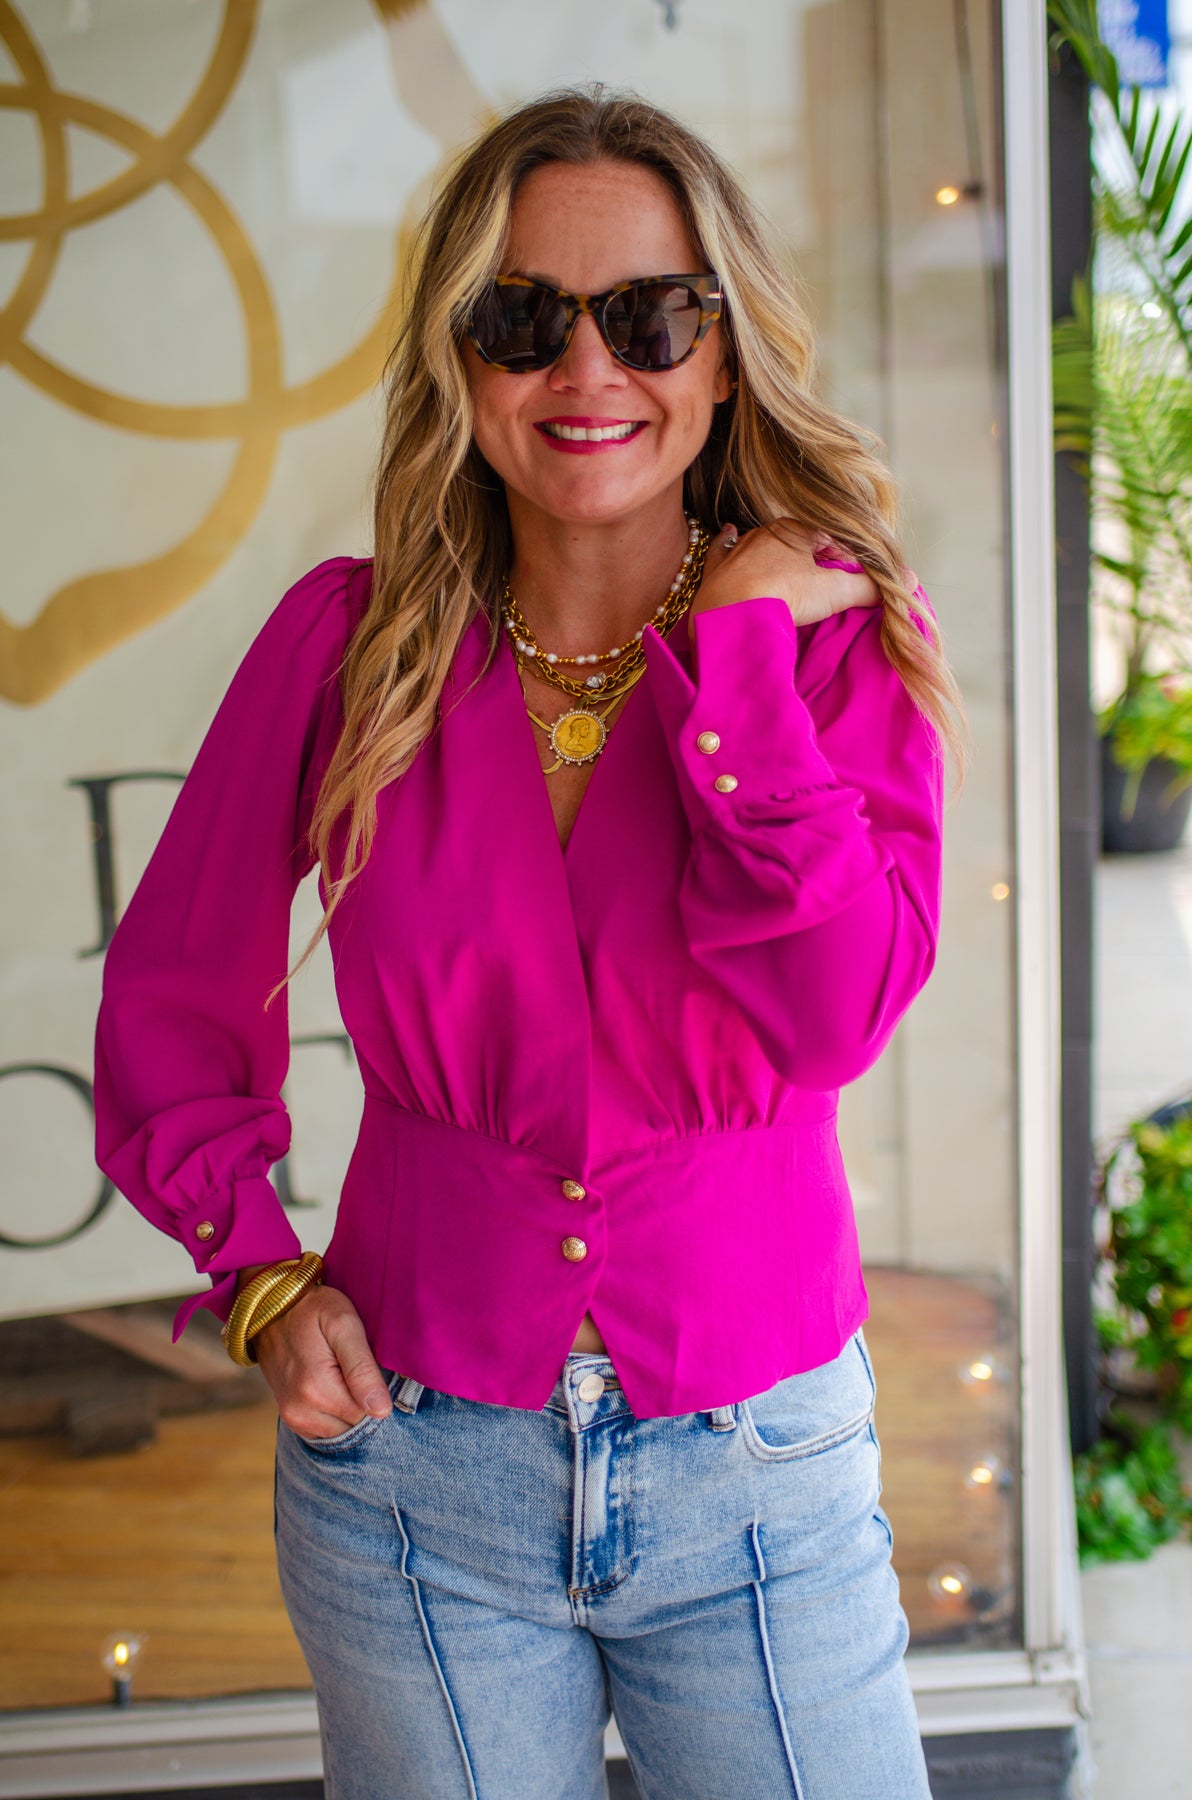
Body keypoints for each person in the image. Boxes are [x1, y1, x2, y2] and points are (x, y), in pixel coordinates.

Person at [94, 85, 962, 1800]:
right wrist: (257, 1272)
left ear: (725, 354)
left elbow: (833, 1018)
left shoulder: (836, 646)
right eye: (522, 317)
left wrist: (740, 669)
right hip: (413, 1482)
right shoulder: (351, 647)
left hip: (759, 1477)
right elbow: (176, 986)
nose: (587, 368)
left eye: (650, 316)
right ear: (460, 357)